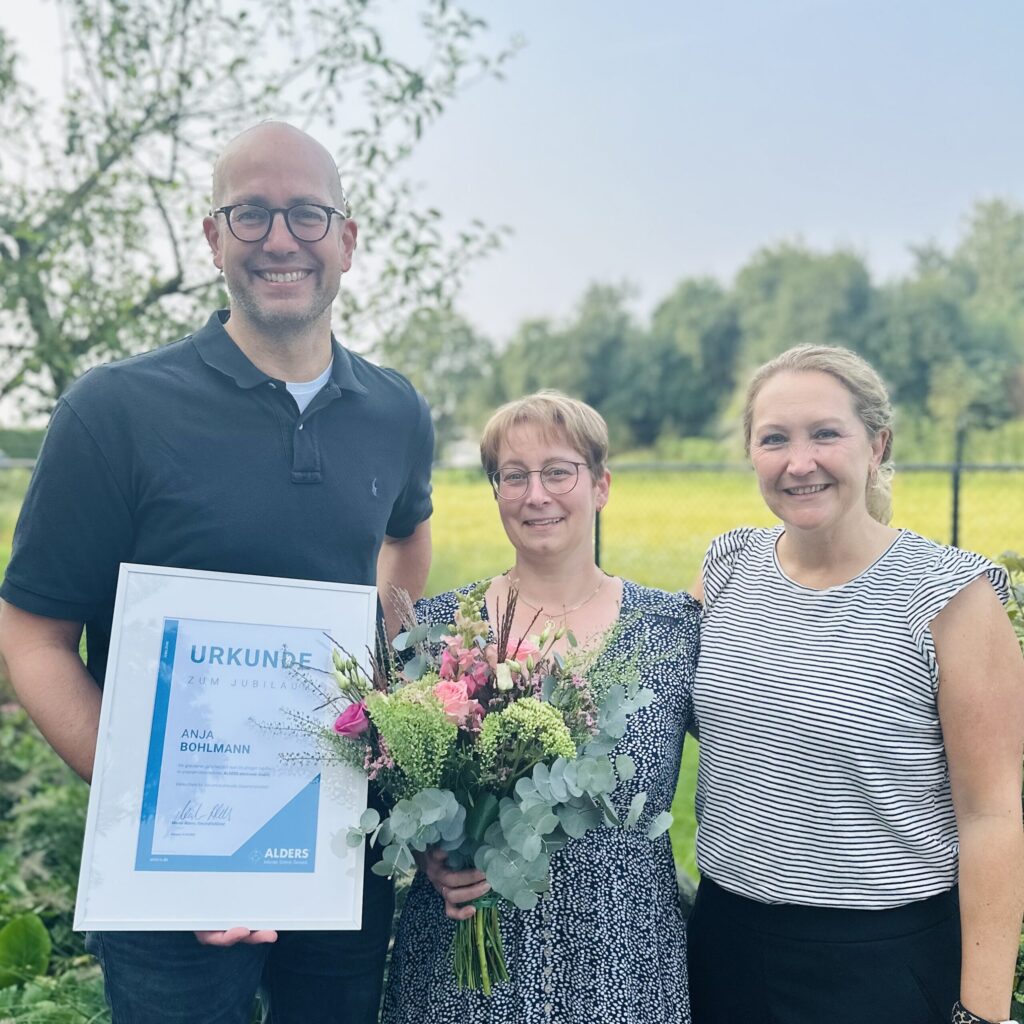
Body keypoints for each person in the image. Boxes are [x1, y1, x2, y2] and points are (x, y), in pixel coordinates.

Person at [0, 121, 434, 1024]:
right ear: (212, 236)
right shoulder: (112, 411)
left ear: (347, 240)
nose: (280, 239)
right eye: (251, 214)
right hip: (170, 871)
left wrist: (390, 678)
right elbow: (32, 636)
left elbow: (407, 536)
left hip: (338, 846)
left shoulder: (395, 411)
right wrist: (155, 808)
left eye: (307, 214)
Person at [686, 344, 1024, 1024]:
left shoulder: (951, 596)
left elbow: (991, 814)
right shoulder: (727, 567)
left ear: (877, 445)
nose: (799, 462)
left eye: (825, 434)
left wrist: (982, 1016)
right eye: (774, 439)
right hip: (726, 947)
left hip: (883, 965)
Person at [381, 390, 699, 1024]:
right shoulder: (442, 634)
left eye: (558, 472)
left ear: (601, 485)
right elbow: (396, 791)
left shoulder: (672, 630)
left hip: (624, 960)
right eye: (514, 476)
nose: (536, 495)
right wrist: (431, 856)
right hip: (466, 960)